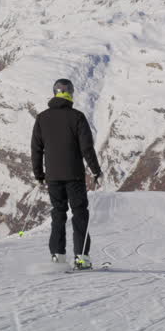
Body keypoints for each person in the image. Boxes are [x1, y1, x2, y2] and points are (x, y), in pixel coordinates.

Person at [30, 78, 103, 270]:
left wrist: (39, 174)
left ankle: (58, 257)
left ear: (54, 93)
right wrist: (96, 170)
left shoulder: (42, 118)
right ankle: (81, 257)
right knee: (79, 214)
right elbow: (87, 148)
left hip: (52, 176)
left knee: (58, 214)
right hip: (74, 175)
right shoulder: (77, 117)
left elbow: (36, 149)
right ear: (70, 93)